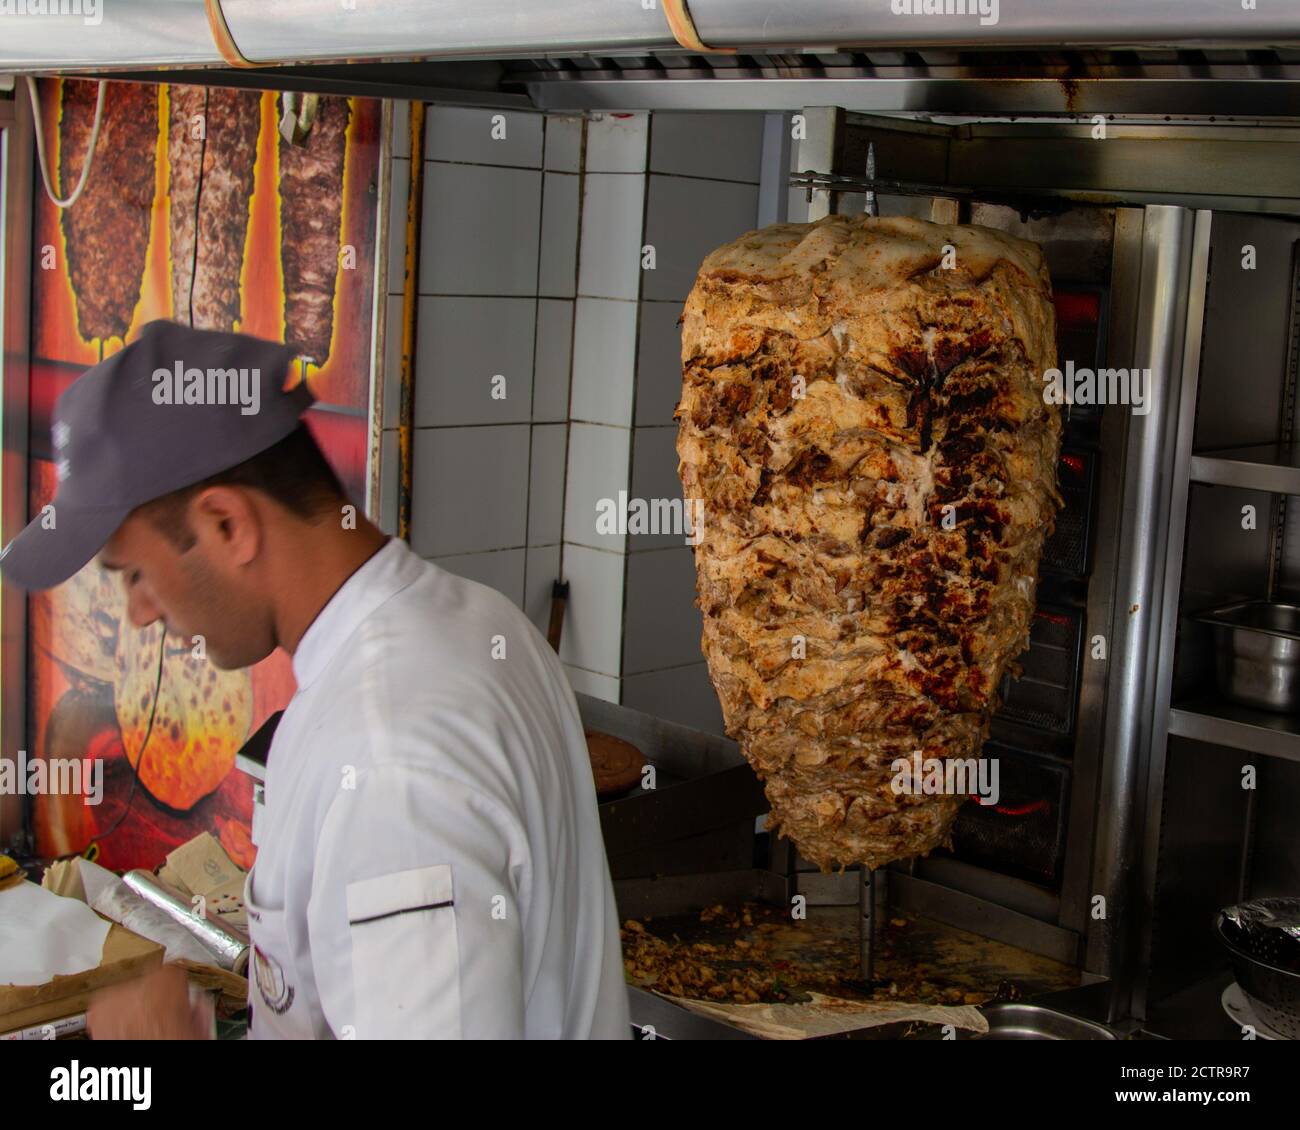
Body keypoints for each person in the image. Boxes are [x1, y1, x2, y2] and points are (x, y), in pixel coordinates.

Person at [2, 319, 629, 1039]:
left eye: (136, 574)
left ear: (228, 525)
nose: (140, 614)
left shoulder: (390, 757)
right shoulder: (471, 621)